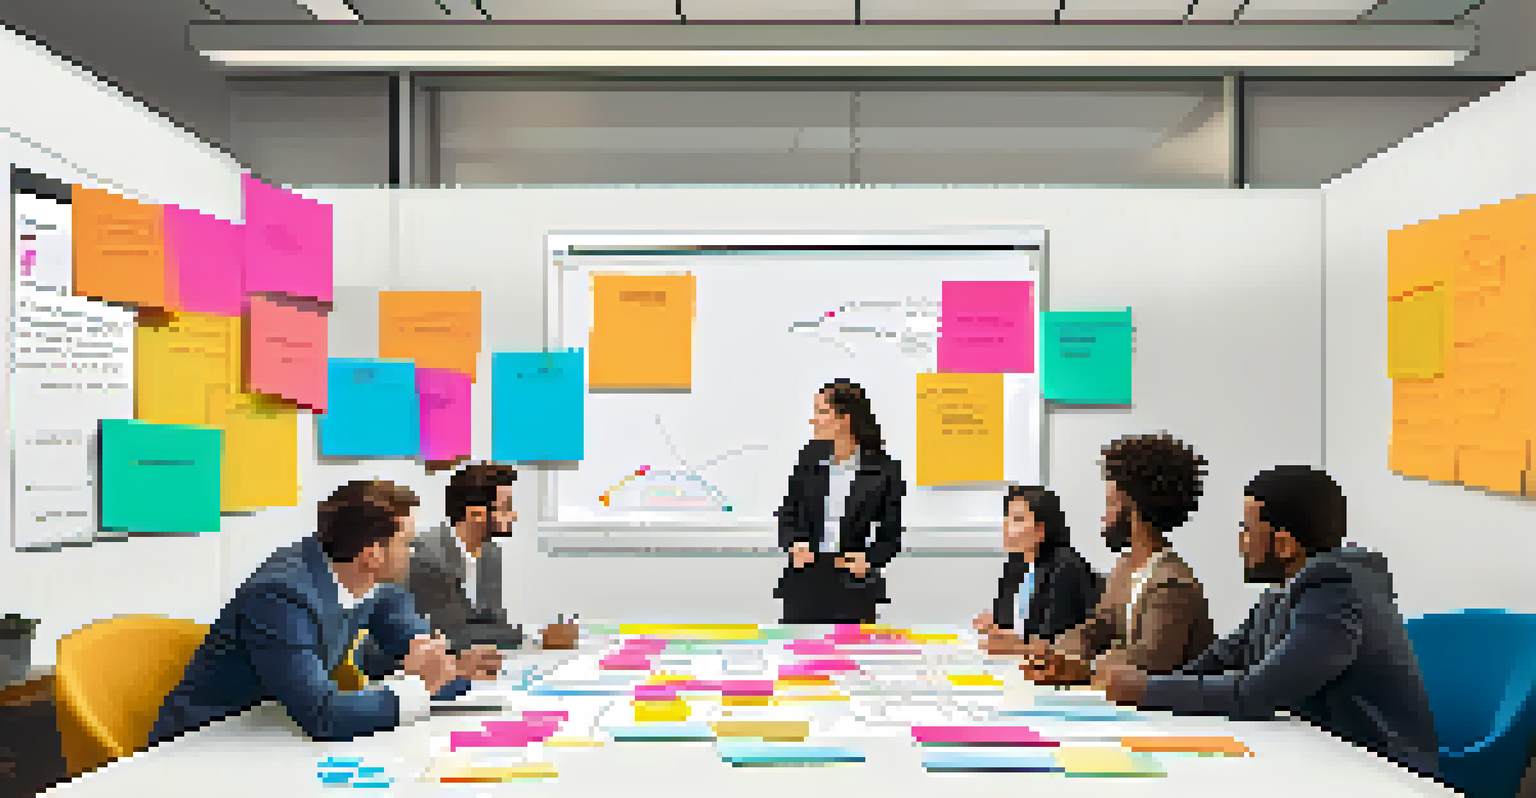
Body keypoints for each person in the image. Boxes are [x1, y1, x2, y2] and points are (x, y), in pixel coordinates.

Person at [1094, 466, 1442, 777]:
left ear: (1285, 544)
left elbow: (1257, 693)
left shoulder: (1335, 592)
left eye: (1247, 530)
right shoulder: (1285, 590)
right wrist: (1149, 687)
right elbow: (1220, 660)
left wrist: (1146, 689)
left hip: (1381, 772)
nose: (1241, 543)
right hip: (1320, 755)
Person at [147, 480, 504, 745]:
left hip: (275, 732)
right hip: (207, 744)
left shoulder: (373, 581)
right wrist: (420, 688)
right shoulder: (281, 597)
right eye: (407, 543)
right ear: (372, 553)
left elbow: (410, 642)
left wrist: (448, 666)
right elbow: (323, 715)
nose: (412, 552)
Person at [1019, 432, 1215, 685]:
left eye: (1110, 503)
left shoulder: (1173, 584)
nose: (1103, 516)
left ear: (1132, 508)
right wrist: (1053, 652)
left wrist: (1082, 668)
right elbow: (1096, 629)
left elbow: (1151, 660)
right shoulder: (1126, 567)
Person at [399, 462, 576, 652]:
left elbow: (494, 622)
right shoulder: (428, 556)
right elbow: (451, 634)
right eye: (506, 508)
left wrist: (535, 637)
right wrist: (536, 639)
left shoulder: (490, 553)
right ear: (475, 514)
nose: (513, 516)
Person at [774, 379, 905, 624]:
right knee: (799, 655)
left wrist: (869, 560)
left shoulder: (883, 469)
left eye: (822, 411)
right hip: (805, 581)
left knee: (851, 656)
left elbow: (891, 534)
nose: (814, 419)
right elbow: (787, 513)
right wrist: (793, 544)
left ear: (844, 419)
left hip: (853, 585)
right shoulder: (809, 459)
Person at [973, 485, 1103, 656]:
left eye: (1017, 519)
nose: (1006, 527)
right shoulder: (1017, 563)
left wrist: (1014, 643)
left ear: (1040, 530)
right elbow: (1008, 622)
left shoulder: (1067, 567)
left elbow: (1056, 639)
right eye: (1006, 517)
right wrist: (995, 625)